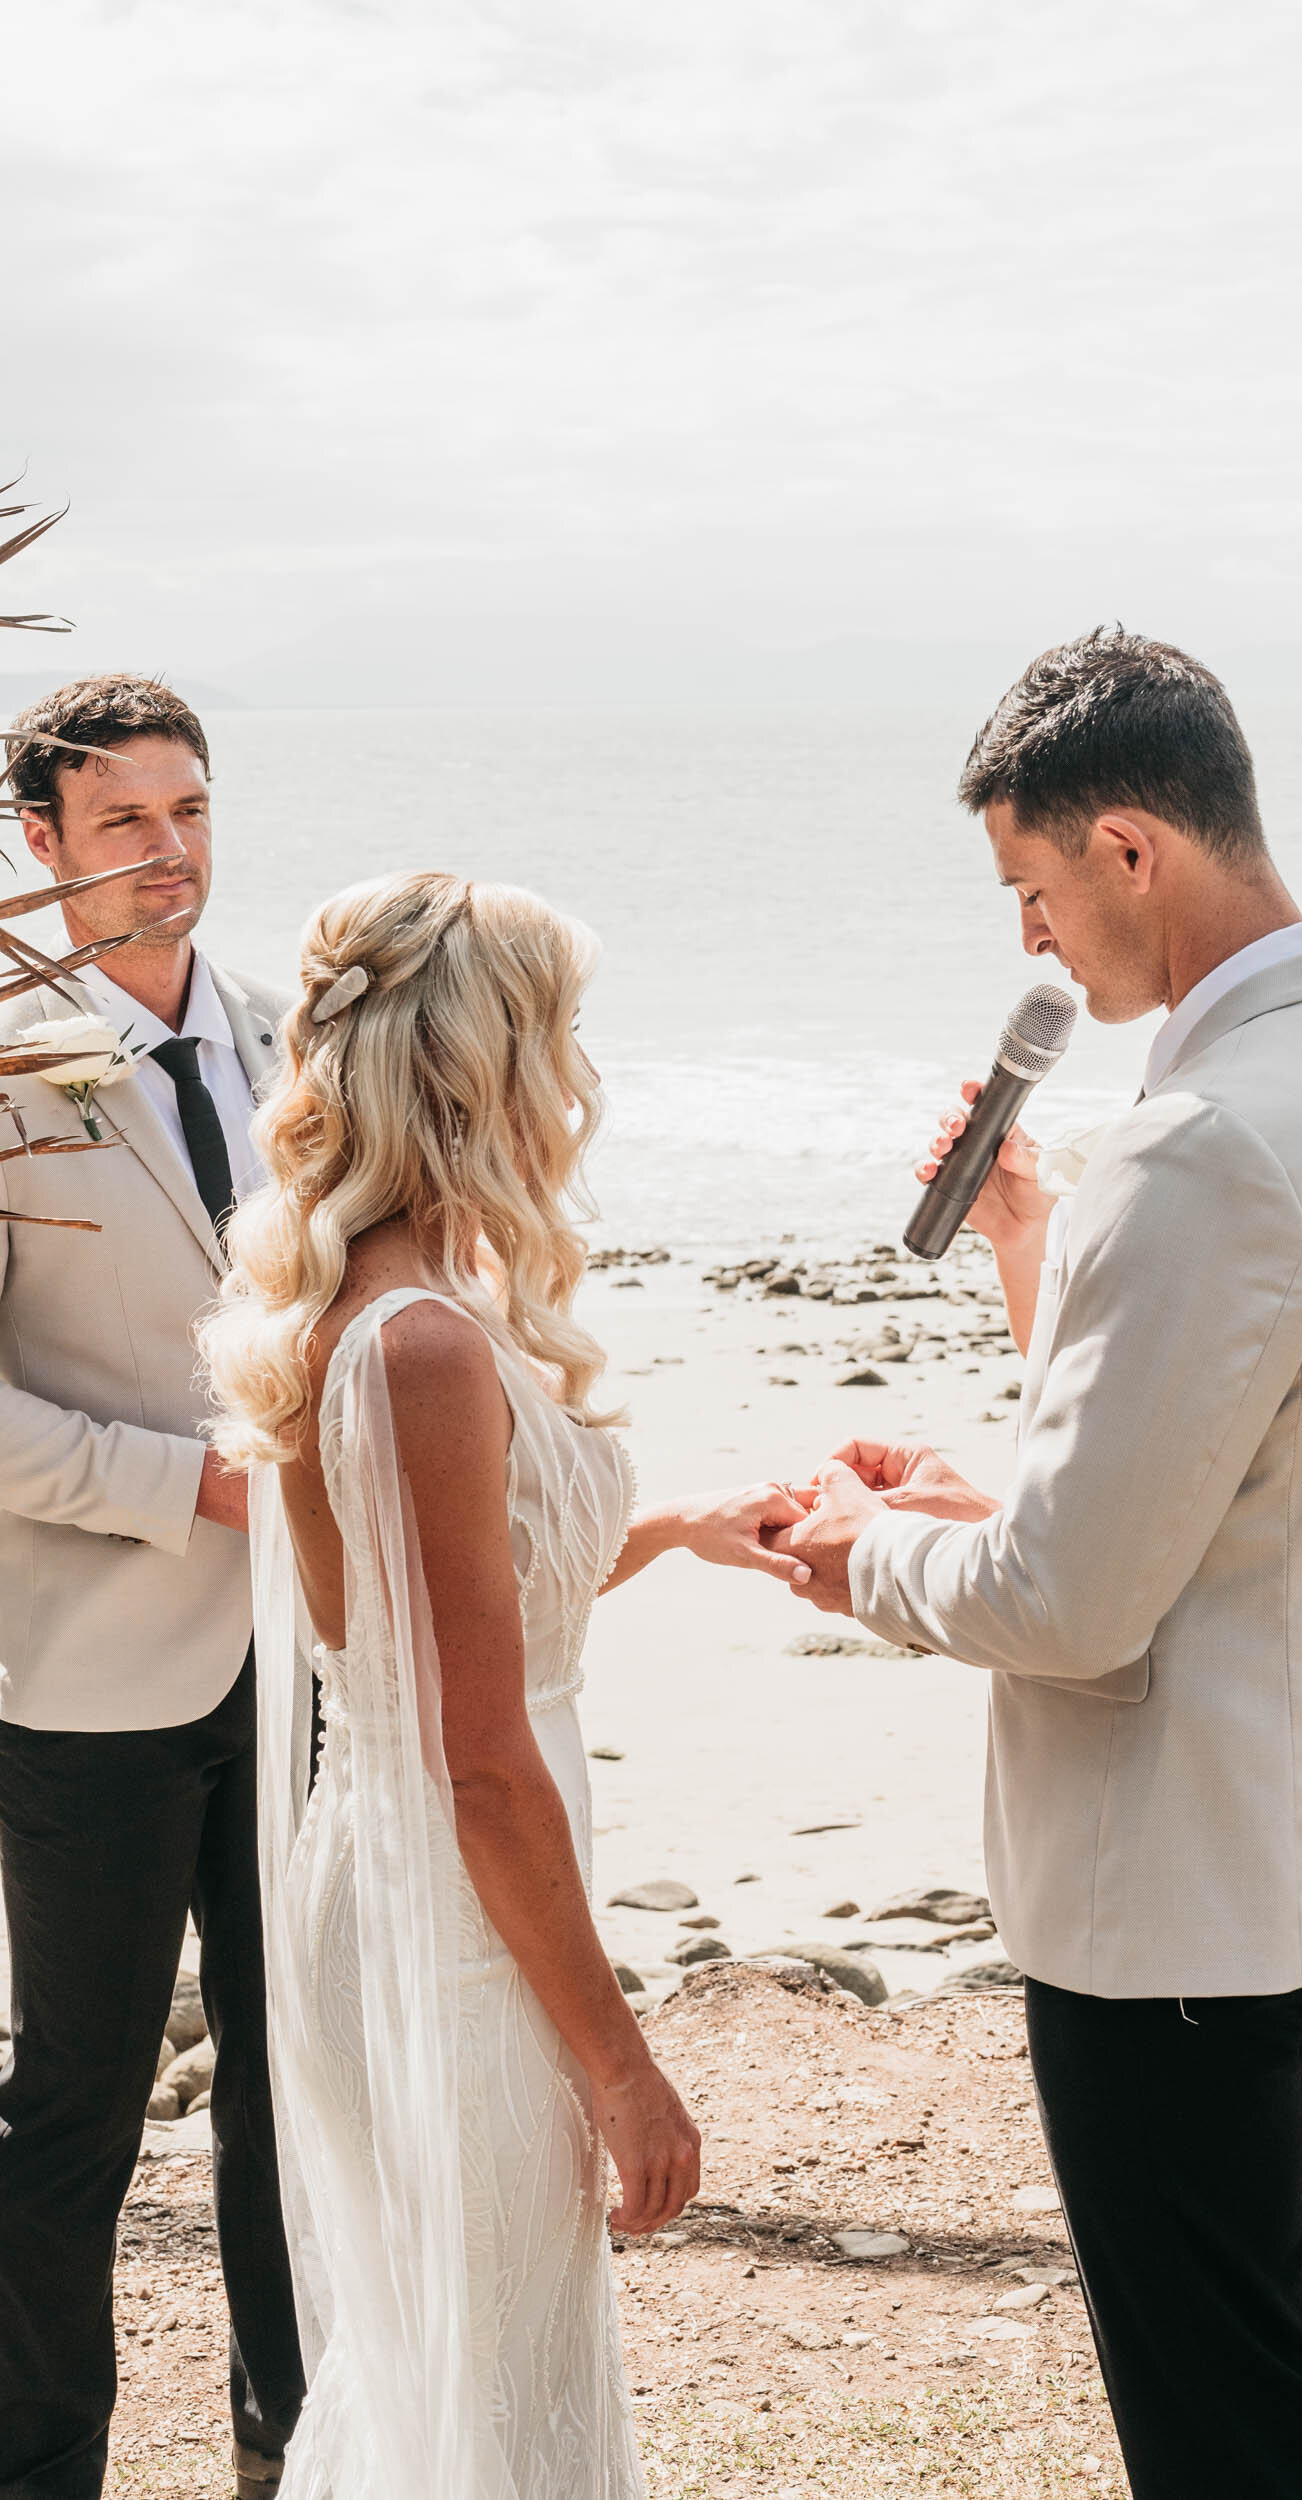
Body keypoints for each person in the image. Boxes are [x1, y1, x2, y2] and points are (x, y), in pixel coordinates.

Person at [781, 627, 1302, 2500]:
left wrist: (865, 1553)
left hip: (1174, 1890)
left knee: (1225, 2420)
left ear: (1125, 849)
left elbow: (1075, 1606)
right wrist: (985, 1493)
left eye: (1030, 890)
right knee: (1291, 2363)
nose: (1031, 941)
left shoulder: (1198, 1144)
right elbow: (1228, 1478)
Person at [200, 870, 809, 2500]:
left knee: (456, 2387)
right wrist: (623, 2063)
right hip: (452, 1922)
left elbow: (439, 1615)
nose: (579, 1075)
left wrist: (675, 1528)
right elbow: (481, 1755)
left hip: (407, 1882)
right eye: (563, 1033)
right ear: (487, 1064)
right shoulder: (424, 1349)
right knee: (487, 2410)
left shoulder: (389, 1310)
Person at [0, 677, 304, 2500]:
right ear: (40, 849)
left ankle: (294, 2442)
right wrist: (180, 1484)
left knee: (295, 2080)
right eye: (123, 822)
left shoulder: (295, 1040)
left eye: (190, 811)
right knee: (75, 2115)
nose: (168, 853)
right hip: (86, 1673)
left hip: (307, 1661)